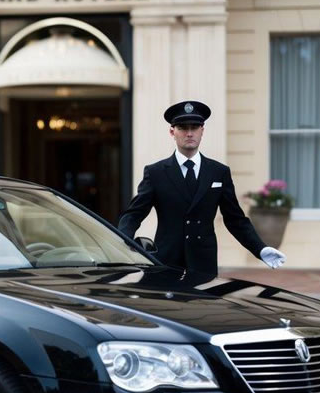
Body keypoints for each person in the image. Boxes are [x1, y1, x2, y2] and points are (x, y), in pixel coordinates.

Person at [118, 100, 286, 277]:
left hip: (204, 263)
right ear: (172, 132)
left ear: (202, 131)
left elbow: (235, 219)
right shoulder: (156, 172)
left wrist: (260, 249)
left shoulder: (219, 172)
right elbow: (134, 214)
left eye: (195, 127)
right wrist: (120, 243)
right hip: (167, 261)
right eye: (183, 127)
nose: (189, 133)